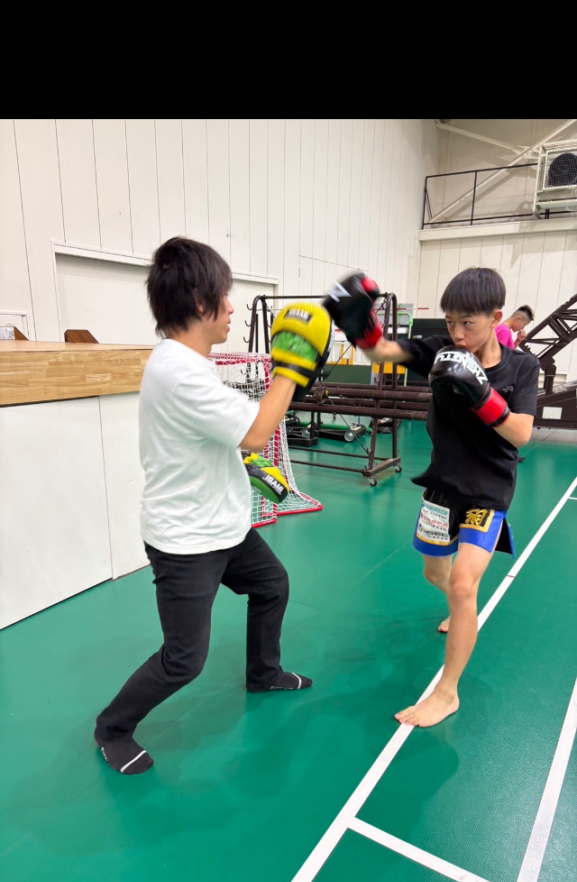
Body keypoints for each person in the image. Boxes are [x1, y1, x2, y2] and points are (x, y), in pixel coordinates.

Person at [95, 237, 331, 775]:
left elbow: (216, 435)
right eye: (224, 297)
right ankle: (112, 727)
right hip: (186, 540)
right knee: (183, 660)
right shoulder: (178, 371)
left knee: (272, 585)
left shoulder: (190, 363)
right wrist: (291, 368)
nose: (232, 308)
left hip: (224, 525)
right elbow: (256, 431)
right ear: (201, 303)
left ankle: (263, 673)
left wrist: (247, 464)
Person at [324, 268, 540, 729]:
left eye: (468, 324)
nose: (458, 335)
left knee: (463, 586)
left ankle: (447, 692)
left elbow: (522, 433)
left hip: (488, 489)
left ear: (495, 318)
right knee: (435, 574)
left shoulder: (522, 368)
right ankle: (461, 610)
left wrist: (482, 394)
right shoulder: (443, 353)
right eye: (450, 323)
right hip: (443, 486)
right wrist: (359, 324)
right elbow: (382, 351)